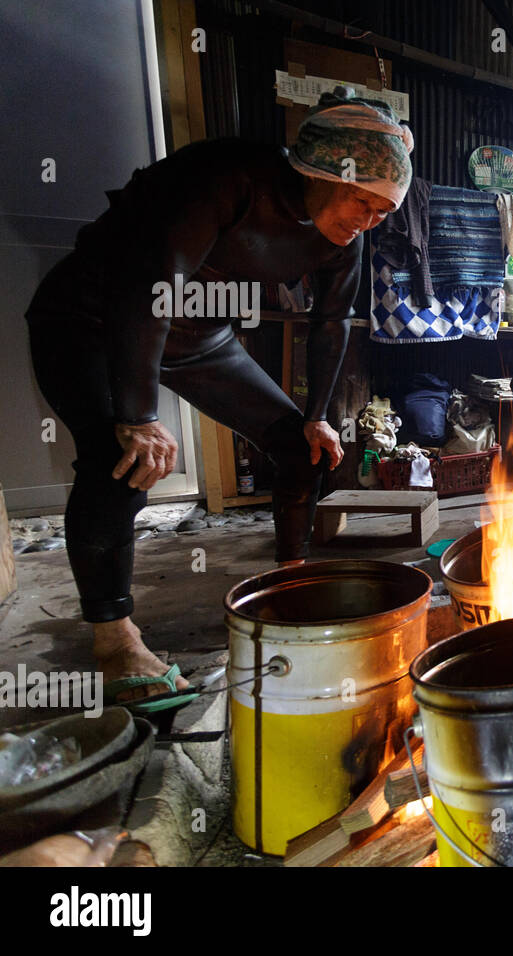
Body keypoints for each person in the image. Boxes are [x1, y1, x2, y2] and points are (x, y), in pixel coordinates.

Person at [23, 88, 413, 707]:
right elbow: (150, 289)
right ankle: (114, 638)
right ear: (316, 170)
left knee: (299, 447)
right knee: (120, 460)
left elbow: (332, 323)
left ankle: (291, 576)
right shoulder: (226, 177)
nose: (367, 218)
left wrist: (317, 418)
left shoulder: (349, 236)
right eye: (360, 199)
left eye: (382, 210)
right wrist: (138, 417)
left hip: (201, 336)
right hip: (93, 319)